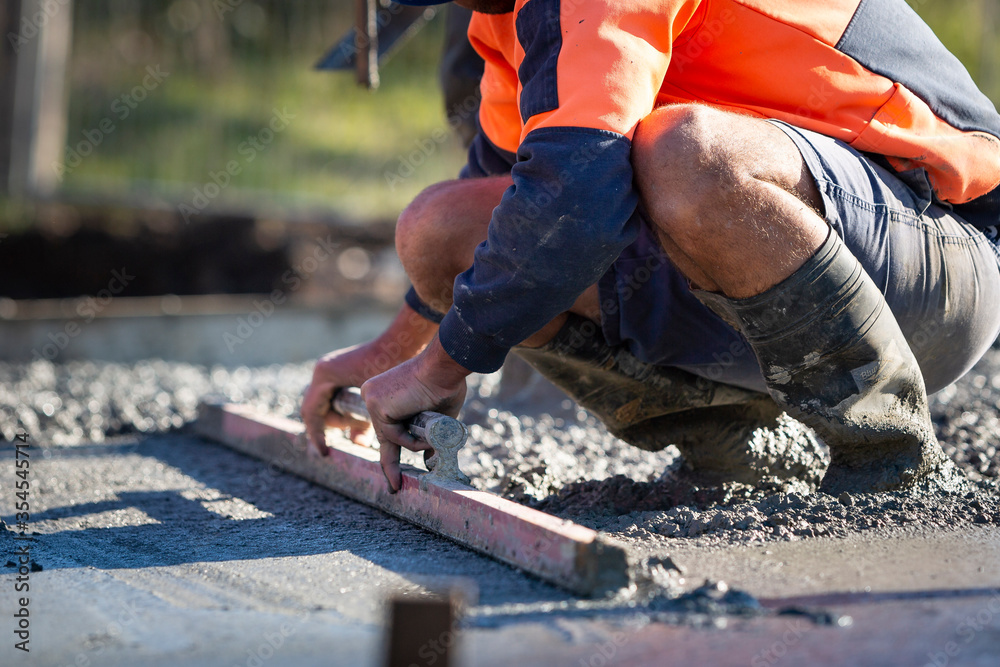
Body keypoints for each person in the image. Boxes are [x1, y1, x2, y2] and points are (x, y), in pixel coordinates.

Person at [303, 0, 1000, 495]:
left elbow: (575, 203)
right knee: (445, 228)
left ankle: (889, 456)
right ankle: (732, 444)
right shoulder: (511, 24)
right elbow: (513, 216)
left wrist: (442, 365)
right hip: (805, 250)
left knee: (683, 157)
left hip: (943, 255)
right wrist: (391, 353)